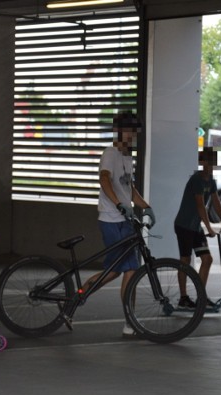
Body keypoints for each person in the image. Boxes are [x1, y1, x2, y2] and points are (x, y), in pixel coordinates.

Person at [79, 110, 155, 338]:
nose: (133, 137)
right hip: (111, 220)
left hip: (124, 220)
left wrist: (146, 206)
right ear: (121, 131)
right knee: (130, 269)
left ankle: (77, 297)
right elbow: (104, 179)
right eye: (131, 132)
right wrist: (117, 204)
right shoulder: (110, 153)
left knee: (113, 271)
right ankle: (130, 322)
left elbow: (129, 189)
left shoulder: (126, 157)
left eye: (135, 133)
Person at [174, 146, 221, 310]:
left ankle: (201, 297)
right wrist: (209, 228)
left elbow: (216, 202)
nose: (210, 165)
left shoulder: (211, 181)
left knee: (207, 259)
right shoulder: (196, 179)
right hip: (184, 225)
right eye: (207, 161)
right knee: (185, 261)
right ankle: (183, 298)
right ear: (202, 162)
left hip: (195, 226)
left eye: (213, 162)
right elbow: (200, 205)